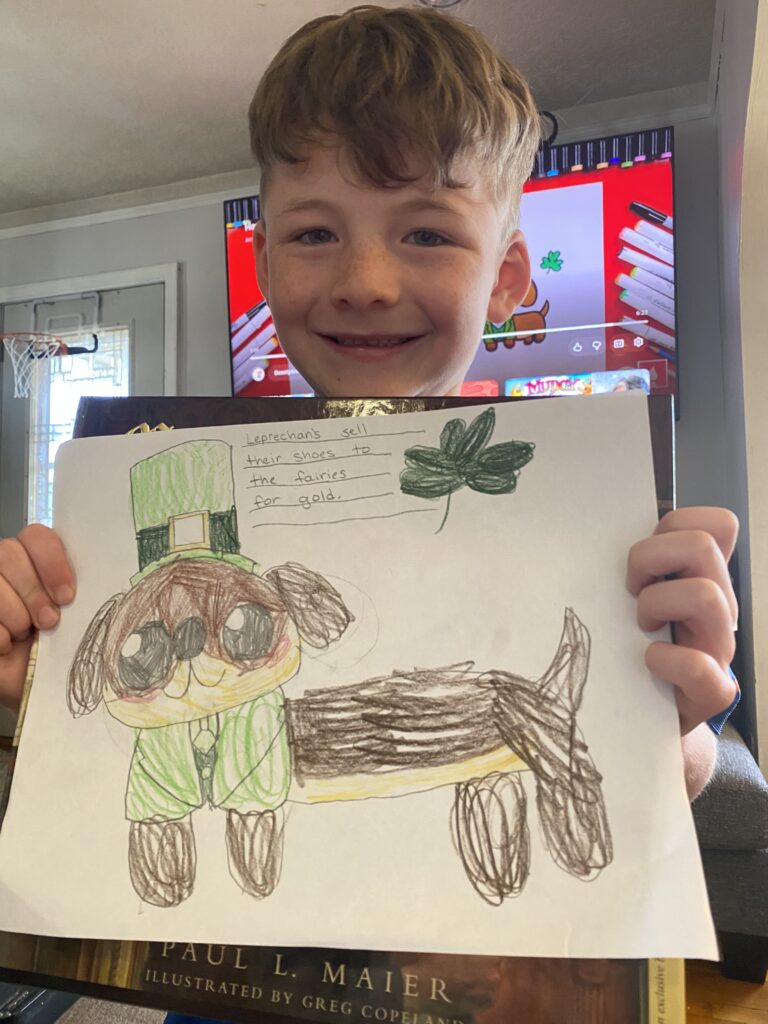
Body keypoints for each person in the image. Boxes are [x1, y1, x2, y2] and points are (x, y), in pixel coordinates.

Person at [0, 5, 739, 804]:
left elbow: (684, 773)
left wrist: (674, 722)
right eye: (314, 235)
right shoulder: (187, 502)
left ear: (507, 279)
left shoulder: (598, 512)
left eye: (427, 236)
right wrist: (33, 660)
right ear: (265, 267)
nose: (365, 284)